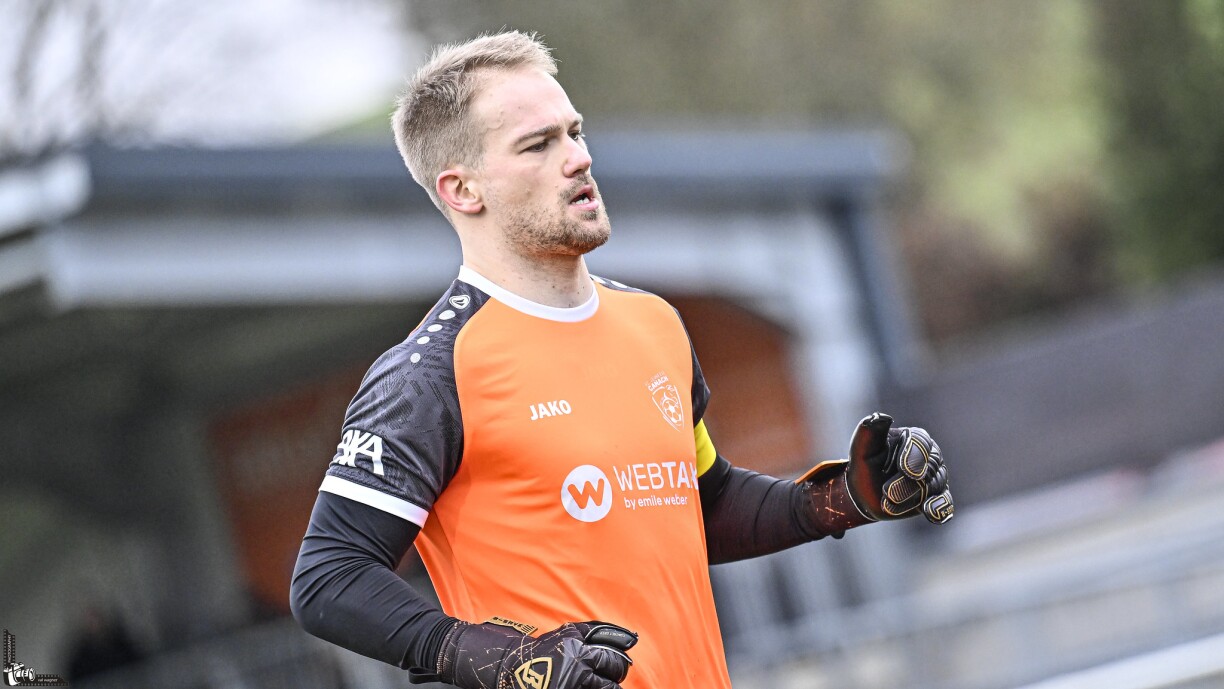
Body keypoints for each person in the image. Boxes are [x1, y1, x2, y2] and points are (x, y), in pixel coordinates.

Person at [289, 30, 953, 689]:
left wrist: (838, 500)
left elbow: (701, 500)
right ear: (463, 189)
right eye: (538, 145)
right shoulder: (429, 376)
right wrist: (486, 656)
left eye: (573, 132)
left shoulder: (655, 323)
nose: (578, 158)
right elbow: (328, 574)